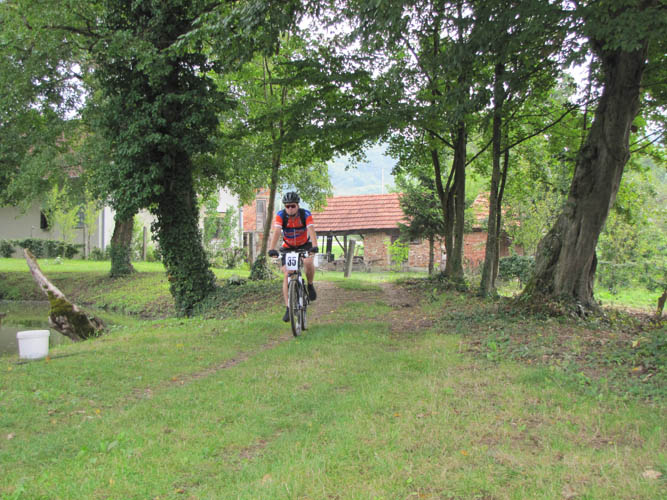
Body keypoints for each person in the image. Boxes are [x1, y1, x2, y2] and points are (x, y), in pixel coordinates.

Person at [268, 192, 318, 322]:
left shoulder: (305, 214)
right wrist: (272, 249)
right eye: (287, 206)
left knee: (308, 262)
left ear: (297, 205)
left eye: (293, 206)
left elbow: (311, 230)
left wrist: (314, 246)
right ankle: (288, 308)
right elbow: (277, 231)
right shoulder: (281, 215)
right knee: (287, 274)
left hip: (305, 245)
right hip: (288, 247)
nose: (290, 209)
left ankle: (310, 285)